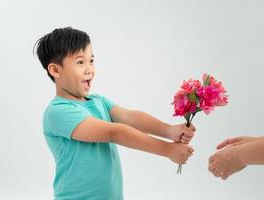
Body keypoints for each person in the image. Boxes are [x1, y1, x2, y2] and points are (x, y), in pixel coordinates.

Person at [35, 27, 196, 200]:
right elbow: (114, 132)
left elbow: (130, 117)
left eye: (91, 60)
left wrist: (169, 130)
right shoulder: (58, 112)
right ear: (55, 70)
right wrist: (168, 149)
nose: (89, 69)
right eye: (80, 62)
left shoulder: (98, 101)